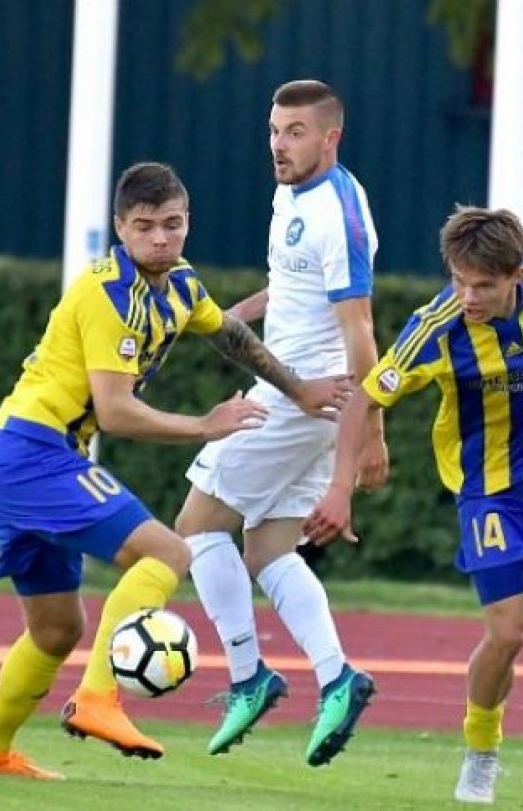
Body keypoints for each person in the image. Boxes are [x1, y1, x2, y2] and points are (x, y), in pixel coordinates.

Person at [0, 161, 352, 780]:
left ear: (187, 222)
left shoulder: (179, 285)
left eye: (172, 224)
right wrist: (204, 425)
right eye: (144, 227)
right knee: (169, 551)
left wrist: (299, 389)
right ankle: (97, 698)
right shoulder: (109, 295)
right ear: (121, 228)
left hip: (19, 456)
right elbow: (116, 412)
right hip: (32, 452)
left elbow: (229, 334)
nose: (161, 238)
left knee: (57, 630)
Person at [304, 206, 523, 806]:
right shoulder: (435, 328)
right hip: (488, 489)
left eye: (484, 285)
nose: (467, 296)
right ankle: (481, 751)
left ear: (517, 274)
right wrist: (340, 488)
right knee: (508, 632)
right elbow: (364, 399)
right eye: (458, 280)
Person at [173, 79, 385, 767]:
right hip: (301, 394)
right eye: (273, 130)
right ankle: (337, 678)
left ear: (330, 137)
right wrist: (224, 316)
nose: (279, 145)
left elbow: (361, 334)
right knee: (267, 552)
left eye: (295, 132)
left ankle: (248, 677)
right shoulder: (290, 192)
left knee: (196, 528)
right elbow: (291, 288)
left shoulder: (339, 214)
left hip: (306, 397)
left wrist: (371, 437)